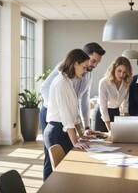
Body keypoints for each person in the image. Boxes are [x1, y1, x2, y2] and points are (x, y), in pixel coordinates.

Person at [39, 42, 105, 181]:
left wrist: (82, 132)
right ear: (76, 63)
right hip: (56, 123)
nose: (89, 68)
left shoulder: (72, 80)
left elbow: (77, 108)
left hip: (65, 124)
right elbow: (65, 114)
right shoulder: (62, 80)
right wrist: (55, 105)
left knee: (68, 166)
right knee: (54, 165)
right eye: (86, 65)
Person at [43, 49, 90, 180]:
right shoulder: (61, 83)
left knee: (69, 172)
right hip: (57, 132)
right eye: (84, 67)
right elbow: (66, 116)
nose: (86, 70)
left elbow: (74, 113)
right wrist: (75, 141)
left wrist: (81, 135)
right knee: (59, 174)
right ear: (75, 64)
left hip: (63, 130)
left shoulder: (69, 81)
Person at [92, 56, 133, 132]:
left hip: (115, 112)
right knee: (101, 141)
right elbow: (103, 107)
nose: (121, 75)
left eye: (124, 72)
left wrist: (126, 119)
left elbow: (125, 102)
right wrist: (110, 129)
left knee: (117, 140)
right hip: (101, 114)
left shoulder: (126, 83)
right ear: (114, 69)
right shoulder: (104, 82)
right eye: (119, 71)